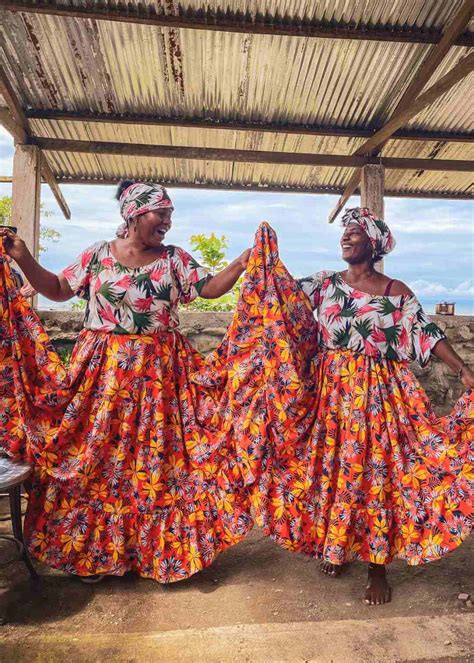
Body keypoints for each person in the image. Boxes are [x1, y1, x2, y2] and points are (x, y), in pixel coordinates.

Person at [0, 180, 252, 583]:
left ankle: (158, 554)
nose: (168, 221)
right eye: (161, 213)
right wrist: (23, 257)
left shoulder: (174, 259)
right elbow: (58, 289)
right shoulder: (98, 254)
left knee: (159, 466)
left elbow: (207, 289)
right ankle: (99, 553)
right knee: (99, 463)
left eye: (170, 214)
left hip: (161, 381)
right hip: (103, 379)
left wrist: (240, 263)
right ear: (134, 214)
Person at [265, 207, 473, 605]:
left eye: (355, 232)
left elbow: (427, 333)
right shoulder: (324, 283)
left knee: (376, 476)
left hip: (379, 396)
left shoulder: (396, 291)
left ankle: (377, 566)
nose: (346, 237)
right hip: (331, 396)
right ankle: (337, 546)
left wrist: (463, 370)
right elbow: (280, 296)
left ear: (373, 243)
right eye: (344, 231)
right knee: (334, 471)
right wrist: (263, 256)